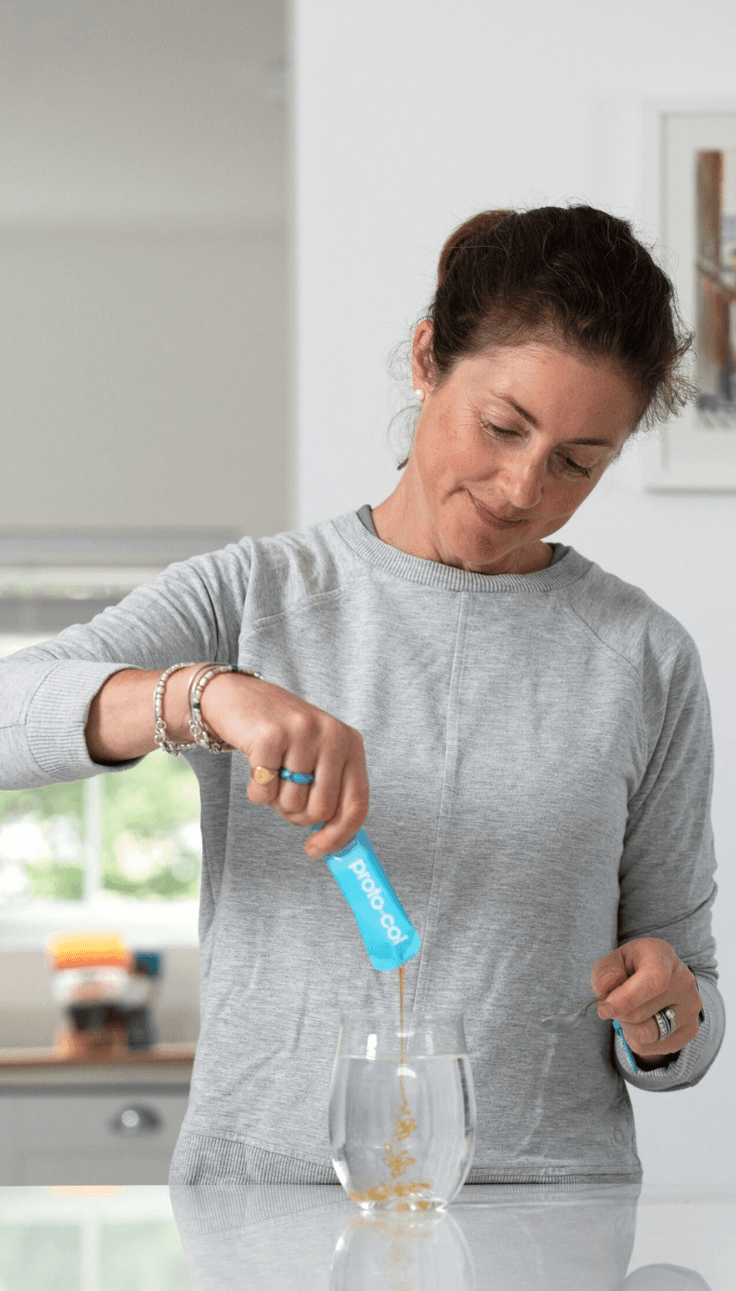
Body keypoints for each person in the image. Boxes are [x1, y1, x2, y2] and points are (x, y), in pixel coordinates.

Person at [0, 205, 724, 1186]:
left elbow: (686, 1003)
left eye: (575, 463)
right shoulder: (252, 595)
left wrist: (665, 1009)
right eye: (502, 426)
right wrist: (209, 699)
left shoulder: (643, 657)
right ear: (428, 358)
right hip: (266, 1207)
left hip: (543, 1222)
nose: (522, 485)